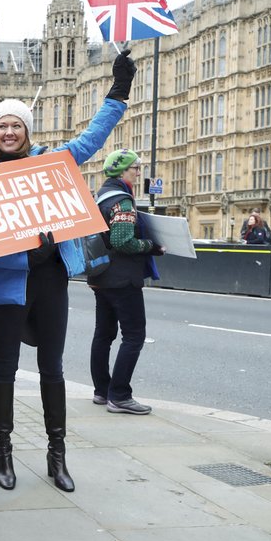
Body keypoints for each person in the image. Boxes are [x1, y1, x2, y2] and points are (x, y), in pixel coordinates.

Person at [0, 50, 136, 493]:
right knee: (3, 368)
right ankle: (3, 454)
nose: (9, 132)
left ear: (27, 131)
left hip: (48, 280)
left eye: (16, 125)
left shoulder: (50, 163)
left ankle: (56, 456)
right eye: (2, 126)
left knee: (52, 369)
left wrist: (118, 93)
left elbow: (90, 141)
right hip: (6, 282)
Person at [88, 149, 165, 416]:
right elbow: (123, 241)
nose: (138, 172)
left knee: (104, 335)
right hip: (122, 280)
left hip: (101, 277)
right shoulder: (122, 201)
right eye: (134, 168)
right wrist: (151, 246)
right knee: (133, 336)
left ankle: (101, 390)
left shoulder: (100, 197)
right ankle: (119, 395)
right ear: (121, 171)